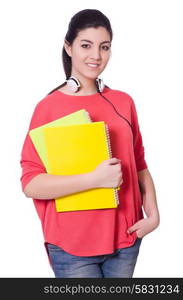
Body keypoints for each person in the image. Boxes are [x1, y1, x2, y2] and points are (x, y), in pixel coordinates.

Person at [20, 9, 160, 278]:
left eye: (104, 47)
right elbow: (31, 184)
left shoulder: (123, 102)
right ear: (68, 47)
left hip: (126, 240)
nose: (96, 56)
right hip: (72, 248)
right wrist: (95, 179)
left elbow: (139, 163)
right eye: (86, 45)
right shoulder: (48, 108)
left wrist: (153, 215)